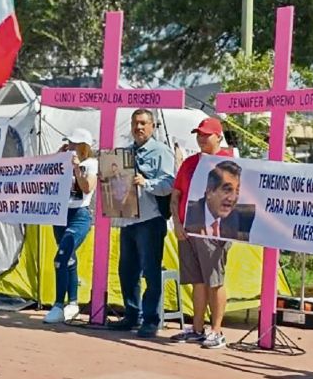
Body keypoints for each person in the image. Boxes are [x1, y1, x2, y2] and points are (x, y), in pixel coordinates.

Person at [107, 109, 175, 338]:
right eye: (136, 123)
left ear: (153, 126)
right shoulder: (124, 153)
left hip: (150, 218)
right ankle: (131, 315)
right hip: (128, 219)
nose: (139, 128)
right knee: (127, 271)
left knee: (151, 271)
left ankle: (151, 320)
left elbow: (169, 183)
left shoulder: (160, 151)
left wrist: (146, 182)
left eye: (144, 124)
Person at [170, 117, 235, 349]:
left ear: (218, 136)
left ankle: (217, 330)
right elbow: (175, 195)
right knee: (196, 280)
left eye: (206, 134)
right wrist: (177, 223)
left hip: (215, 230)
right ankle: (197, 328)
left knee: (215, 280)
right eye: (199, 134)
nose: (201, 138)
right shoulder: (189, 163)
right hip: (189, 228)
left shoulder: (230, 162)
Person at [43, 128, 98, 323]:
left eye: (75, 144)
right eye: (69, 143)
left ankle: (58, 304)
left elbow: (87, 188)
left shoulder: (91, 164)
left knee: (61, 256)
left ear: (83, 147)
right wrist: (58, 157)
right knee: (69, 259)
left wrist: (76, 168)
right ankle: (72, 303)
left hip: (79, 214)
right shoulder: (63, 159)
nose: (71, 147)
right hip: (60, 213)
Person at [184, 160, 254, 242]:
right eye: (227, 190)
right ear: (209, 192)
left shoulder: (233, 219)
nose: (232, 198)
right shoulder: (189, 215)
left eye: (237, 191)